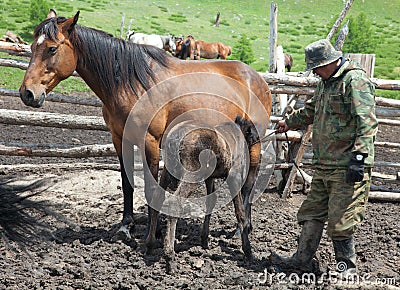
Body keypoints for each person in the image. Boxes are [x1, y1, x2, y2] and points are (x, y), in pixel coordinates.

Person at [270, 39, 378, 275]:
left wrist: (359, 159)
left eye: (317, 67)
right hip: (325, 165)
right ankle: (301, 260)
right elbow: (311, 111)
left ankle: (346, 269)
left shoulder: (354, 81)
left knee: (342, 221)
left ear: (330, 62)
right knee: (311, 213)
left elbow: (367, 124)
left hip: (347, 166)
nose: (315, 72)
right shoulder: (325, 83)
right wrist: (288, 122)